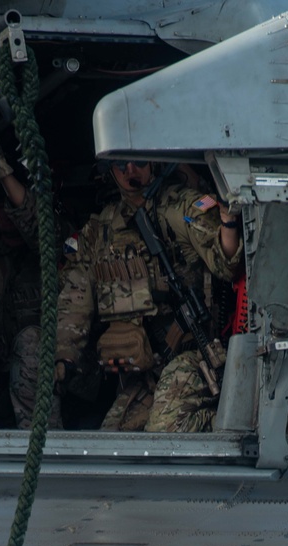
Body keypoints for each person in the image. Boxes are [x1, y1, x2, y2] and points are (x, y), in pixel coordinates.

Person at [54, 161, 243, 433]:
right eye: (121, 165)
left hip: (194, 360)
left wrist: (227, 219)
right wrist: (64, 355)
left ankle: (227, 425)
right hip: (146, 373)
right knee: (111, 446)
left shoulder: (182, 208)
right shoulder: (100, 231)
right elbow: (75, 295)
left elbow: (225, 264)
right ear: (109, 171)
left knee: (164, 432)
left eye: (139, 162)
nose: (132, 170)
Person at [0, 124, 62, 428]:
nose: (3, 214)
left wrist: (2, 171)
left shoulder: (48, 247)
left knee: (30, 342)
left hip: (53, 374)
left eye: (8, 203)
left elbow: (39, 228)